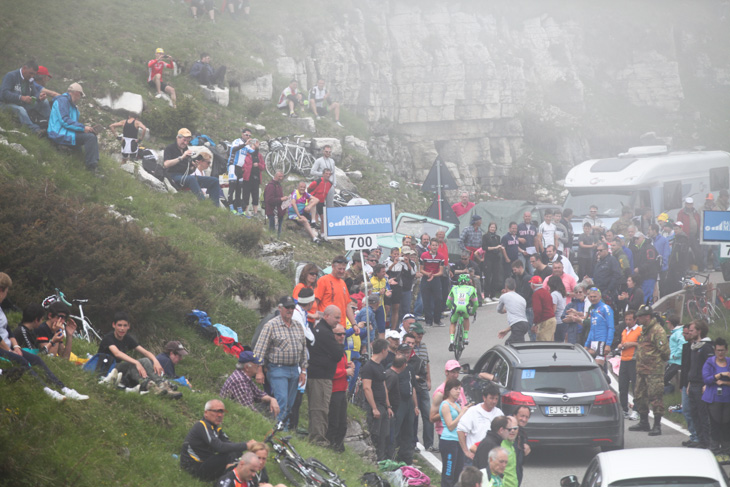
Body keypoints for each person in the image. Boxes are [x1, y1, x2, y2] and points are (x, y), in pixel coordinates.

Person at [0, 296, 88, 401]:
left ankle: (65, 389)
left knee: (36, 360)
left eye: (65, 318)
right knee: (29, 360)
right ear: (50, 316)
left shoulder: (54, 330)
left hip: (13, 348)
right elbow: (50, 356)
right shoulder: (42, 329)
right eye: (60, 317)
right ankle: (49, 390)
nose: (63, 321)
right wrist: (54, 338)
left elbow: (65, 358)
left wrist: (69, 336)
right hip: (8, 350)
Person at [98, 311, 181, 397]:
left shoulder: (127, 338)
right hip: (106, 370)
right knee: (133, 365)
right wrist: (136, 362)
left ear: (128, 326)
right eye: (119, 325)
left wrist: (155, 360)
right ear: (114, 325)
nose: (122, 328)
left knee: (145, 360)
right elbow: (117, 353)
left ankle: (161, 384)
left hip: (119, 371)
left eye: (125, 325)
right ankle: (150, 386)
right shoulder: (108, 338)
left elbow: (145, 352)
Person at [253, 296, 308, 424]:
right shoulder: (270, 325)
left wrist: (303, 370)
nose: (290, 310)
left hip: (294, 369)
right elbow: (259, 349)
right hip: (277, 369)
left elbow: (303, 349)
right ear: (280, 308)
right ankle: (276, 430)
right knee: (281, 400)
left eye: (292, 307)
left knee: (290, 403)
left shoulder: (298, 326)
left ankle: (284, 430)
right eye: (287, 307)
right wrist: (259, 371)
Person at [180, 399, 256, 481]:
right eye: (216, 411)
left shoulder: (216, 429)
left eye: (222, 412)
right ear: (206, 413)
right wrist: (246, 445)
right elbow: (219, 447)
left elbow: (229, 445)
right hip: (194, 468)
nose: (220, 415)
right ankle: (231, 478)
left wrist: (249, 449)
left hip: (206, 463)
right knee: (229, 454)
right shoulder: (201, 425)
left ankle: (237, 476)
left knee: (236, 451)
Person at [628, 305, 670, 436]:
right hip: (642, 370)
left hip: (654, 371)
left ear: (647, 316)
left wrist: (656, 363)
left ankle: (657, 425)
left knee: (655, 397)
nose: (638, 318)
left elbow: (665, 352)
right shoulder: (645, 330)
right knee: (639, 396)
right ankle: (644, 422)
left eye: (640, 316)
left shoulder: (657, 331)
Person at [307, 305, 345, 446]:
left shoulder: (322, 330)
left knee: (319, 408)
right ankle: (318, 439)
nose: (338, 320)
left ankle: (317, 437)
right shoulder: (324, 332)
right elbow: (337, 354)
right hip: (320, 377)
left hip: (318, 375)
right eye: (336, 317)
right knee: (320, 408)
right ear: (326, 316)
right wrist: (338, 349)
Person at [163, 128, 224, 206]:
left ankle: (215, 207)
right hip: (173, 175)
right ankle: (203, 203)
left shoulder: (185, 149)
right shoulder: (170, 148)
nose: (185, 143)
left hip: (185, 176)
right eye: (184, 140)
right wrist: (182, 157)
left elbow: (189, 170)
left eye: (187, 141)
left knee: (214, 181)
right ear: (178, 137)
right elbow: (166, 164)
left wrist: (194, 166)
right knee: (192, 179)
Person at [47, 83, 100, 171]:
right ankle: (92, 168)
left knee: (90, 135)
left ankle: (94, 162)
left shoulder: (72, 105)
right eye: (81, 94)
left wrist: (85, 129)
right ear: (76, 93)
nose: (80, 97)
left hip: (65, 131)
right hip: (58, 133)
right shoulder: (63, 101)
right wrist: (83, 128)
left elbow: (71, 123)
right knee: (90, 138)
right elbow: (64, 120)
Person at [220, 351, 280, 417]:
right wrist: (266, 425)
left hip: (239, 414)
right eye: (256, 364)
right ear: (247, 367)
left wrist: (272, 399)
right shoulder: (239, 381)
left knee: (268, 406)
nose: (258, 365)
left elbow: (258, 394)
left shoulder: (244, 376)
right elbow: (248, 410)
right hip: (232, 417)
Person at [361, 338, 393, 461]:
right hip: (374, 407)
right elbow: (367, 388)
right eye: (387, 350)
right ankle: (374, 460)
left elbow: (384, 386)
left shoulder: (380, 366)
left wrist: (388, 406)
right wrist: (374, 408)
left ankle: (382, 459)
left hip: (382, 405)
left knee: (384, 436)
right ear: (383, 350)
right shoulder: (369, 367)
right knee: (376, 435)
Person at [0, 60, 50, 135]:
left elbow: (34, 93)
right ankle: (35, 130)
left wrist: (39, 97)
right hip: (5, 104)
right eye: (31, 73)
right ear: (24, 68)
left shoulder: (29, 80)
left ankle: (51, 125)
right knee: (21, 109)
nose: (32, 76)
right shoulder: (11, 76)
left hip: (23, 104)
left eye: (34, 74)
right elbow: (4, 93)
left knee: (44, 101)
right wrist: (20, 97)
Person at [457, 383, 503, 463]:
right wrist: (466, 451)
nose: (494, 401)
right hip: (474, 457)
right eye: (491, 398)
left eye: (496, 399)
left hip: (492, 459)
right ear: (484, 398)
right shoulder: (473, 411)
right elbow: (460, 430)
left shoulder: (499, 414)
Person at [686, 320, 714, 449]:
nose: (689, 333)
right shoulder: (694, 346)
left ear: (699, 331)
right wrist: (689, 383)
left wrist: (707, 384)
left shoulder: (706, 347)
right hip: (693, 384)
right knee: (694, 413)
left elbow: (711, 366)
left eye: (692, 330)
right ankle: (699, 439)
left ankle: (707, 443)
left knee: (703, 415)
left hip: (702, 385)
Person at [326, 324, 354, 452]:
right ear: (332, 335)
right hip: (334, 390)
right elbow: (329, 371)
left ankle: (338, 446)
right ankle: (332, 446)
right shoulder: (330, 349)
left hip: (342, 390)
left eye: (343, 334)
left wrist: (348, 365)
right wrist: (345, 371)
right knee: (334, 422)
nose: (342, 336)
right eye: (339, 334)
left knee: (342, 423)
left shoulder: (340, 349)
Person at [439, 378, 471, 487]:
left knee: (458, 473)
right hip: (449, 441)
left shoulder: (456, 405)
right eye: (456, 389)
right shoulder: (445, 405)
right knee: (448, 473)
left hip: (458, 441)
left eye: (459, 389)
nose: (458, 391)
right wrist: (461, 413)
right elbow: (450, 425)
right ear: (448, 390)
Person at [702, 338, 730, 453]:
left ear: (726, 350)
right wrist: (719, 375)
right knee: (715, 424)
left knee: (726, 425)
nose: (720, 353)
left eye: (722, 350)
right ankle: (714, 449)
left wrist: (724, 382)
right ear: (715, 350)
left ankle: (726, 450)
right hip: (714, 399)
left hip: (727, 398)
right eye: (718, 350)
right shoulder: (709, 362)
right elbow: (706, 379)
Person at [411, 322, 435, 452]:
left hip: (423, 385)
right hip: (413, 386)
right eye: (418, 333)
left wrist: (429, 380)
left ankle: (429, 444)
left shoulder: (424, 346)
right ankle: (413, 443)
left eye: (421, 333)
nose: (420, 335)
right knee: (414, 415)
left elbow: (427, 364)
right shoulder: (410, 347)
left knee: (428, 415)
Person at [616, 310, 641, 420]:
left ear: (635, 320)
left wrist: (632, 344)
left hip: (634, 360)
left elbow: (643, 345)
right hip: (624, 359)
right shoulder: (625, 330)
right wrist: (620, 345)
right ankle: (624, 409)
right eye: (626, 319)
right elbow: (622, 342)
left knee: (636, 386)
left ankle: (636, 410)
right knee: (622, 386)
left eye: (630, 319)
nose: (628, 321)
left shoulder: (640, 330)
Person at [226, 128, 255, 215]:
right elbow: (233, 149)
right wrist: (244, 144)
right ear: (242, 134)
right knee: (232, 187)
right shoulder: (237, 141)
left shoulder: (247, 145)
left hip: (240, 169)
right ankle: (230, 207)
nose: (248, 137)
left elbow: (253, 152)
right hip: (233, 166)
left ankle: (239, 209)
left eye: (249, 135)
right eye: (246, 135)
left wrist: (256, 146)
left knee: (239, 189)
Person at [583, 288, 614, 367]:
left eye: (595, 296)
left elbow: (611, 327)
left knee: (599, 369)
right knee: (591, 368)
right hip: (593, 342)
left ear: (600, 297)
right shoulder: (593, 310)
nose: (592, 299)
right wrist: (587, 344)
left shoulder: (605, 308)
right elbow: (592, 328)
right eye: (591, 297)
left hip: (601, 342)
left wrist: (608, 344)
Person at [447, 273, 479, 350]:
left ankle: (451, 341)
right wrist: (472, 312)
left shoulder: (454, 288)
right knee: (466, 318)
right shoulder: (472, 288)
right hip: (465, 307)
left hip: (455, 307)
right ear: (468, 282)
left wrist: (452, 309)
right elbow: (476, 304)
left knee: (453, 323)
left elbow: (448, 302)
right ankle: (466, 337)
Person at [421, 239, 445, 327]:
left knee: (438, 299)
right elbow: (421, 269)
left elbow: (441, 271)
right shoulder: (424, 255)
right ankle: (428, 321)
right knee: (426, 300)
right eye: (433, 245)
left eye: (436, 245)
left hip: (435, 278)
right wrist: (428, 274)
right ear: (430, 246)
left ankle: (437, 320)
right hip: (426, 278)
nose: (435, 247)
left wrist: (433, 275)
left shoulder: (441, 256)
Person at [497, 277, 529, 345]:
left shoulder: (504, 296)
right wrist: (506, 330)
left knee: (510, 344)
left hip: (518, 325)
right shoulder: (522, 298)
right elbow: (517, 320)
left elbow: (499, 310)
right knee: (518, 344)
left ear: (506, 286)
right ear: (515, 286)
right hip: (525, 324)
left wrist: (504, 310)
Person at [632, 232, 659, 304]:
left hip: (649, 275)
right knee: (643, 295)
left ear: (643, 238)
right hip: (642, 276)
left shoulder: (649, 247)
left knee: (646, 295)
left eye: (637, 238)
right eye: (634, 238)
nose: (635, 240)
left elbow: (651, 261)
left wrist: (639, 269)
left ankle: (647, 311)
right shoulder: (638, 248)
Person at [677, 197, 702, 270]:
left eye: (690, 204)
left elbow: (699, 221)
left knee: (698, 252)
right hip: (685, 236)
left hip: (694, 236)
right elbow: (679, 224)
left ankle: (699, 267)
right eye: (688, 204)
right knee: (685, 253)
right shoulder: (681, 213)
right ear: (685, 204)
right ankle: (686, 268)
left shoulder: (695, 212)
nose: (689, 205)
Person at [482, 222, 503, 302]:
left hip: (496, 258)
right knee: (488, 277)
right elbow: (484, 247)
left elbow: (498, 246)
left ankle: (493, 294)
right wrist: (495, 247)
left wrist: (500, 248)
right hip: (488, 258)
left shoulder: (497, 237)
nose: (492, 229)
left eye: (494, 227)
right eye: (491, 227)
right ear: (488, 228)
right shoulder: (485, 236)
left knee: (495, 277)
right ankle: (487, 295)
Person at [530, 276, 555, 341]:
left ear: (533, 285)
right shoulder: (546, 292)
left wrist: (535, 323)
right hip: (552, 320)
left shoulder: (536, 294)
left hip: (545, 321)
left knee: (543, 343)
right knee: (550, 343)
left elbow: (537, 310)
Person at [664, 314, 685, 393]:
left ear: (671, 323)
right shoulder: (675, 332)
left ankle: (671, 390)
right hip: (673, 361)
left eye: (667, 323)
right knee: (663, 378)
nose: (667, 325)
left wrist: (674, 355)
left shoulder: (678, 333)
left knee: (663, 380)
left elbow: (682, 346)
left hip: (677, 362)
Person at [263, 170, 287, 236]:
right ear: (275, 176)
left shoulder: (278, 185)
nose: (281, 178)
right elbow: (269, 200)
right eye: (279, 176)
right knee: (272, 233)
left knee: (278, 233)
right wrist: (281, 199)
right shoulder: (271, 186)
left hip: (279, 212)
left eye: (282, 177)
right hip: (272, 213)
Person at [512, 406, 531, 486]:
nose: (524, 419)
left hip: (517, 473)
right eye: (522, 416)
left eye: (527, 417)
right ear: (514, 415)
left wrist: (527, 452)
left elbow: (522, 460)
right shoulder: (506, 432)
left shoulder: (523, 433)